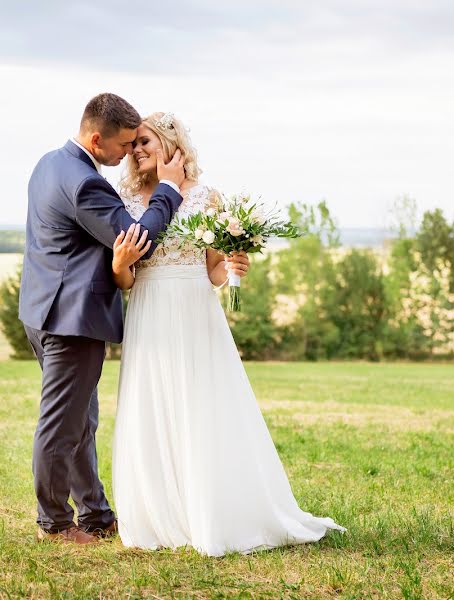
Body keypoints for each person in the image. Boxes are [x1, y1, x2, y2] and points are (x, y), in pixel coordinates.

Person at [110, 111, 345, 556]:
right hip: (149, 311)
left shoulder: (206, 197)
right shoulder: (123, 200)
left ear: (172, 145)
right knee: (154, 404)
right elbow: (125, 280)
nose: (136, 150)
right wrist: (120, 267)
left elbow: (213, 270)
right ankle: (160, 515)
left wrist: (234, 266)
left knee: (203, 405)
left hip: (197, 310)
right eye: (133, 145)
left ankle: (214, 510)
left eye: (146, 142)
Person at [18, 94, 186, 544]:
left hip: (42, 310)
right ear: (97, 139)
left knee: (80, 419)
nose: (129, 152)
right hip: (72, 320)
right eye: (124, 144)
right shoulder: (86, 184)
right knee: (62, 425)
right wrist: (169, 190)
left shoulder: (49, 163)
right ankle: (54, 524)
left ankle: (95, 514)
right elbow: (137, 238)